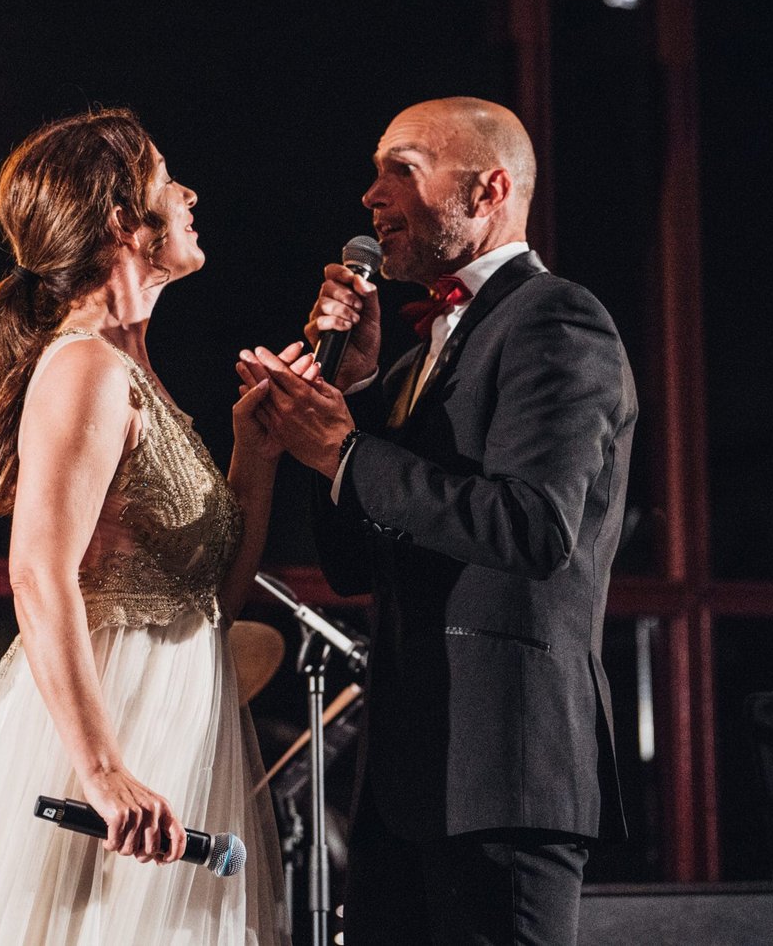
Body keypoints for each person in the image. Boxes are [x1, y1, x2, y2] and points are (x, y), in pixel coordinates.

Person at [240, 97, 636, 946]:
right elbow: (352, 566)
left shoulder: (556, 318)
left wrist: (347, 452)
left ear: (488, 190)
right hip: (404, 781)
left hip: (505, 772)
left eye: (404, 170)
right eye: (376, 171)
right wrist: (350, 393)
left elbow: (535, 526)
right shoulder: (418, 359)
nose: (372, 196)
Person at [0, 108, 287, 944]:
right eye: (167, 180)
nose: (189, 195)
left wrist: (255, 452)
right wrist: (104, 770)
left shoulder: (139, 376)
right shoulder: (84, 367)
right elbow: (37, 572)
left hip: (177, 725)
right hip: (104, 733)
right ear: (120, 219)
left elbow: (214, 601)